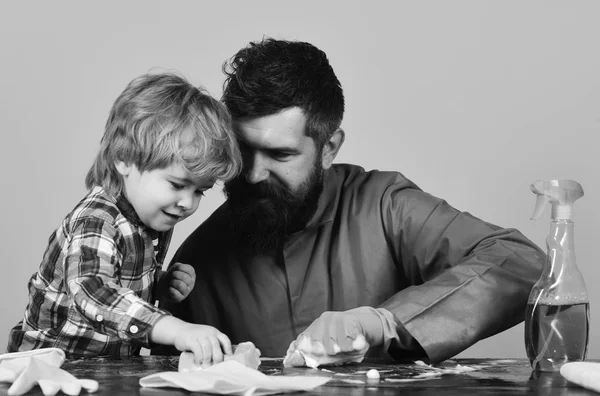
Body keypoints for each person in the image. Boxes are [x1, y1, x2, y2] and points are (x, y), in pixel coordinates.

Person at [156, 38, 545, 365]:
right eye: (244, 150)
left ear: (329, 148)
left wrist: (381, 322)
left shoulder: (385, 206)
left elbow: (522, 264)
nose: (254, 174)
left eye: (280, 155)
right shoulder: (199, 259)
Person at [7, 72, 242, 366]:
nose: (187, 203)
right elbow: (95, 292)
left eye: (200, 192)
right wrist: (175, 329)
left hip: (102, 371)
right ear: (124, 159)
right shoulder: (97, 220)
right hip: (49, 370)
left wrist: (158, 284)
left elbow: (119, 280)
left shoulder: (148, 218)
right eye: (177, 185)